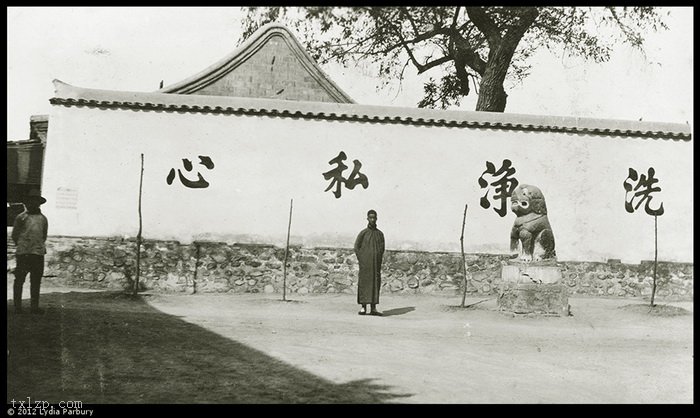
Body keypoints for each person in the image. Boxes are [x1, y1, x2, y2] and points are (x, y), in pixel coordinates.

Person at [12, 189, 49, 314]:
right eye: (29, 202)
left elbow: (43, 236)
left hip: (37, 254)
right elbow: (15, 235)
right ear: (26, 203)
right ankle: (17, 307)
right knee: (19, 280)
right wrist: (23, 246)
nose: (31, 204)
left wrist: (36, 247)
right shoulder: (21, 218)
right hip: (24, 253)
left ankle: (34, 307)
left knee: (36, 281)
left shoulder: (43, 219)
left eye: (34, 202)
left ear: (38, 203)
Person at [354, 209, 385, 316]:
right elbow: (356, 247)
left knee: (375, 285)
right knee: (364, 284)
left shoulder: (380, 234)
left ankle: (373, 308)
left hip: (376, 265)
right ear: (367, 218)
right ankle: (363, 307)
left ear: (376, 219)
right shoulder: (363, 233)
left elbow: (382, 248)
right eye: (370, 217)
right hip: (365, 265)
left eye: (374, 217)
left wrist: (378, 258)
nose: (372, 219)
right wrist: (362, 259)